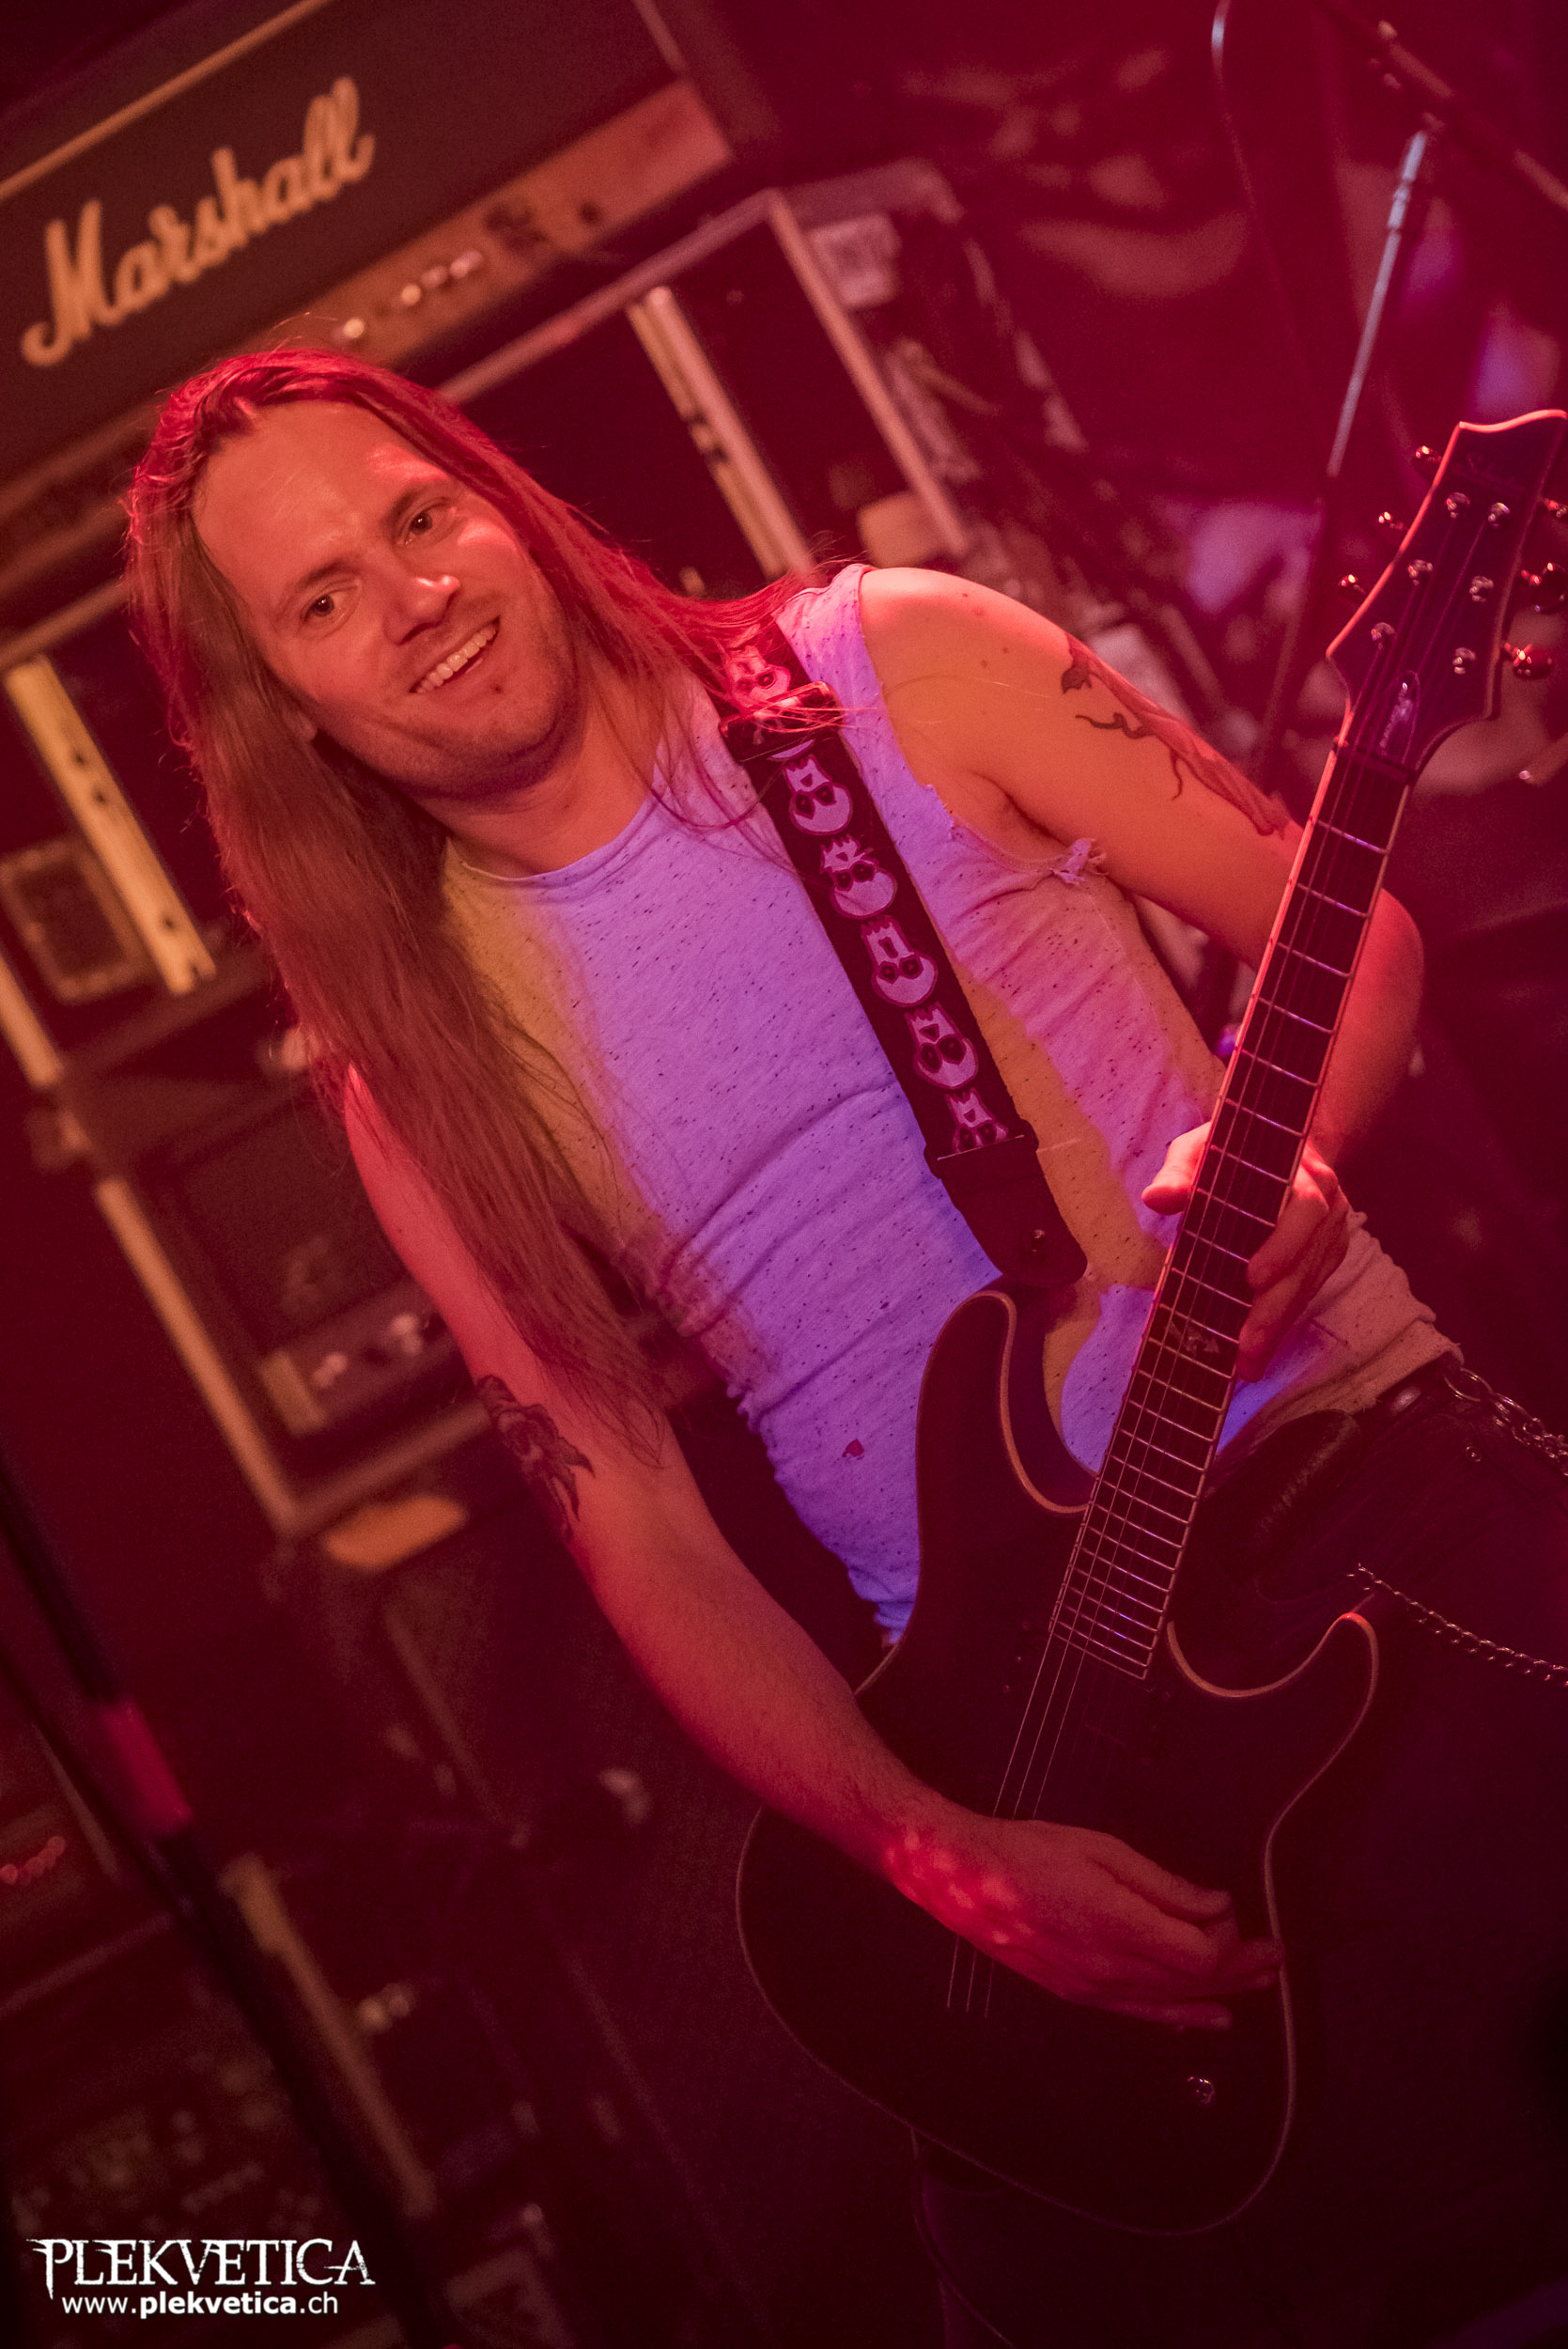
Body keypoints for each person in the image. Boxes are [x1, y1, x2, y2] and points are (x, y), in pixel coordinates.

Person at [127, 349, 1568, 2347]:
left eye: (419, 516)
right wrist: (936, 1850)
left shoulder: (897, 663)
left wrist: (1300, 1160)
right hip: (1027, 1755)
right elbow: (638, 1531)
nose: (415, 594)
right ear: (283, 702)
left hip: (1360, 1524)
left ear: (503, 498)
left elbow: (1348, 932)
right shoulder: (417, 1063)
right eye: (323, 598)